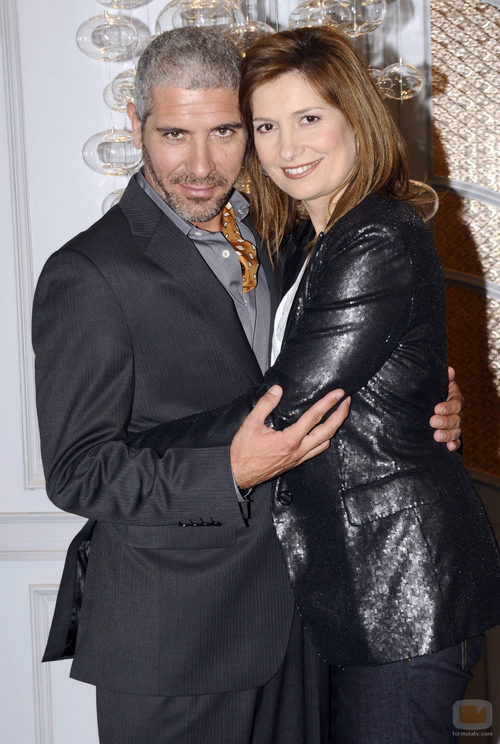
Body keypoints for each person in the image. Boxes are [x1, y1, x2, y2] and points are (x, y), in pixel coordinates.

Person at [32, 28, 463, 744]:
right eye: (174, 134)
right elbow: (79, 471)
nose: (201, 166)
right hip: (175, 640)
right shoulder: (89, 273)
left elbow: (335, 367)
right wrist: (226, 469)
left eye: (228, 131)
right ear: (136, 124)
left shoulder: (285, 233)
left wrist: (418, 398)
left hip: (304, 621)